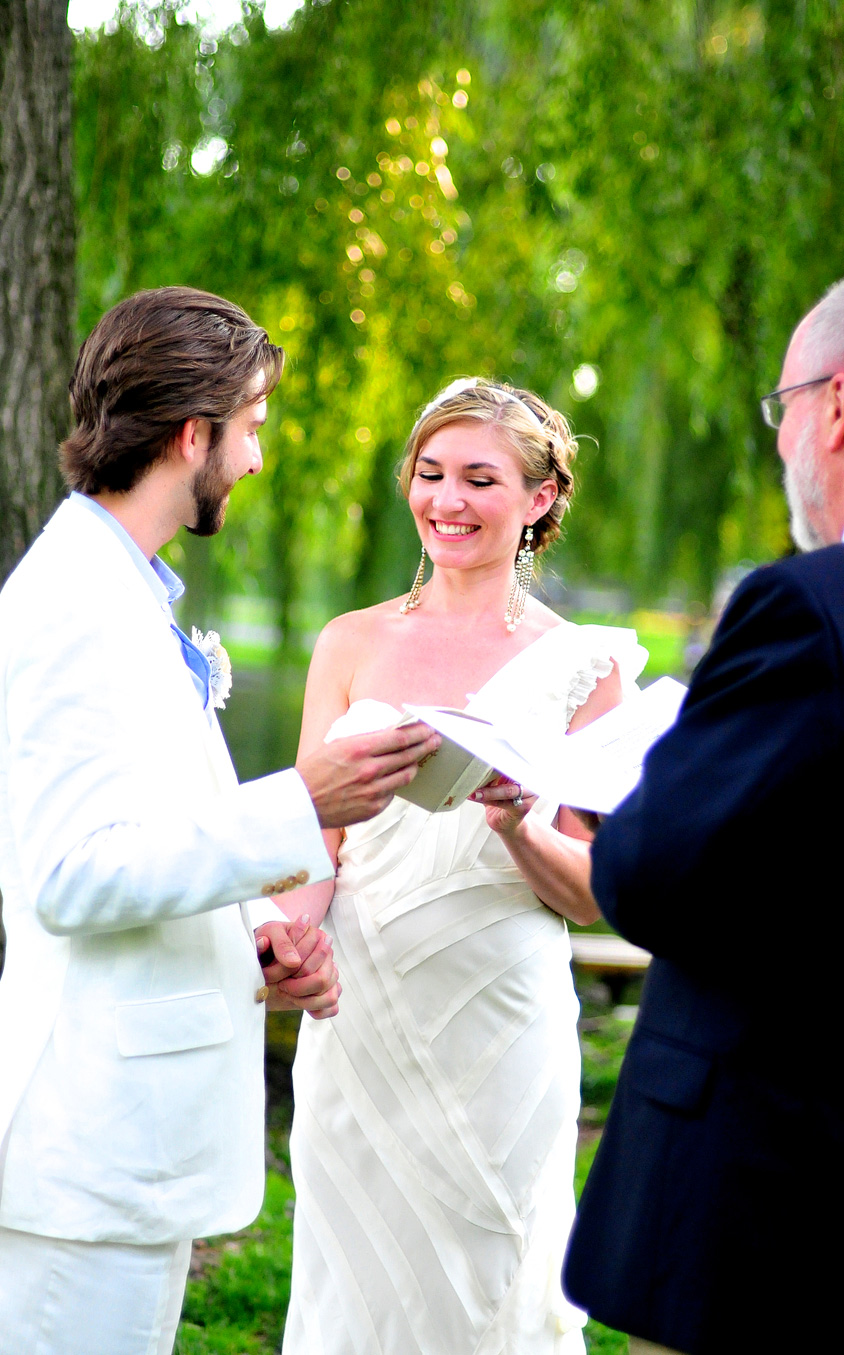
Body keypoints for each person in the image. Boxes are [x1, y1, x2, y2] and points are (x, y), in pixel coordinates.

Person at [0, 286, 439, 1355]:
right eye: (251, 428)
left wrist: (252, 927)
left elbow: (142, 835)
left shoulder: (123, 591)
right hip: (81, 1160)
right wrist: (302, 802)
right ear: (191, 433)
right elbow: (71, 877)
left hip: (123, 1156)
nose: (256, 460)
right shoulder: (75, 600)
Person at [276, 378, 647, 1355]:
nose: (447, 499)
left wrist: (521, 827)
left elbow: (599, 888)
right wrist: (295, 934)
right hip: (359, 1007)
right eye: (430, 472)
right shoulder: (349, 641)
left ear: (539, 498)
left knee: (492, 1279)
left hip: (500, 1018)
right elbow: (318, 835)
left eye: (480, 477)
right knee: (354, 1282)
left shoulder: (586, 664)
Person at [562, 284, 844, 1354]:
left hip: (771, 1186)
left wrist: (624, 804)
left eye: (782, 408)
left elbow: (657, 869)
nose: (781, 444)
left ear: (836, 405)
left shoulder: (808, 606)